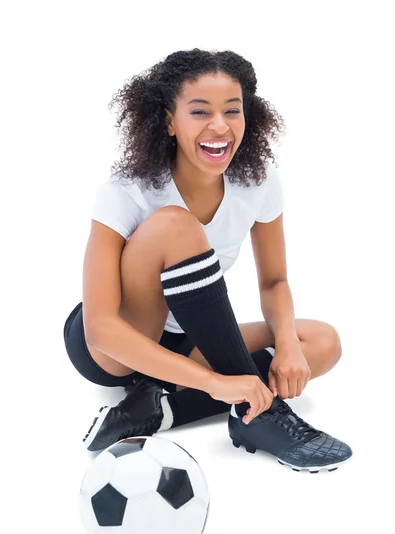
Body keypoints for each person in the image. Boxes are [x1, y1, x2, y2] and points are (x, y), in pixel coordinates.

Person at [63, 48, 352, 472]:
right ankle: (261, 417)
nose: (220, 125)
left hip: (192, 336)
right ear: (168, 121)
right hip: (115, 344)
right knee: (175, 226)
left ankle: (160, 409)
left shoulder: (257, 182)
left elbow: (274, 282)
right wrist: (215, 382)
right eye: (200, 112)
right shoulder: (128, 190)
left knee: (321, 344)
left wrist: (287, 344)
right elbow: (101, 328)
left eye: (232, 111)